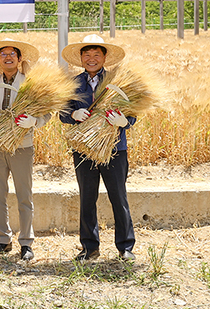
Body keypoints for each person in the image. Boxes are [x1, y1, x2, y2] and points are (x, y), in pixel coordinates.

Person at [60, 34, 136, 261]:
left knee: (119, 197)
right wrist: (73, 114)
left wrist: (124, 121)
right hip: (84, 150)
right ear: (81, 58)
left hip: (115, 149)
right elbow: (62, 113)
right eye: (87, 55)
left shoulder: (118, 80)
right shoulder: (72, 83)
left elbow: (133, 113)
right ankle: (90, 247)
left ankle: (125, 247)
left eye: (96, 55)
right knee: (87, 198)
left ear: (104, 57)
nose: (91, 59)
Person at [0, 40, 49, 261]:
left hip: (22, 146)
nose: (8, 57)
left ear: (19, 59)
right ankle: (3, 239)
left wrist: (33, 122)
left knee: (24, 195)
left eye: (12, 54)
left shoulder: (30, 84)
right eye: (3, 55)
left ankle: (26, 242)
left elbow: (46, 114)